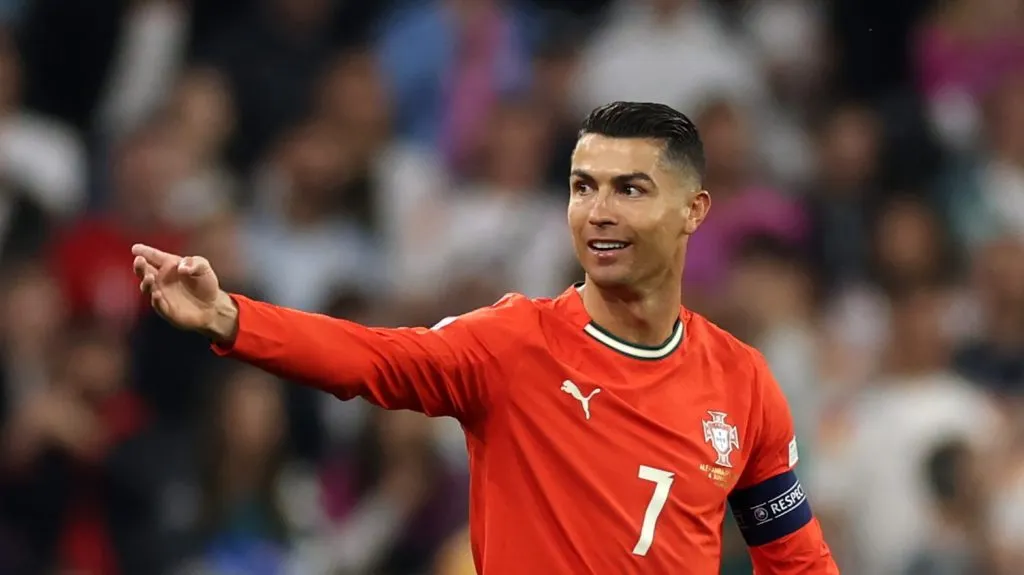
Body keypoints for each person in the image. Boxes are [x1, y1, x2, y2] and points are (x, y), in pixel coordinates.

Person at [132, 101, 839, 573]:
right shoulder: (514, 344)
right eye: (581, 185)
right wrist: (233, 316)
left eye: (629, 189)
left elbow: (794, 556)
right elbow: (373, 359)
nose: (597, 211)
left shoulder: (741, 381)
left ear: (693, 210)